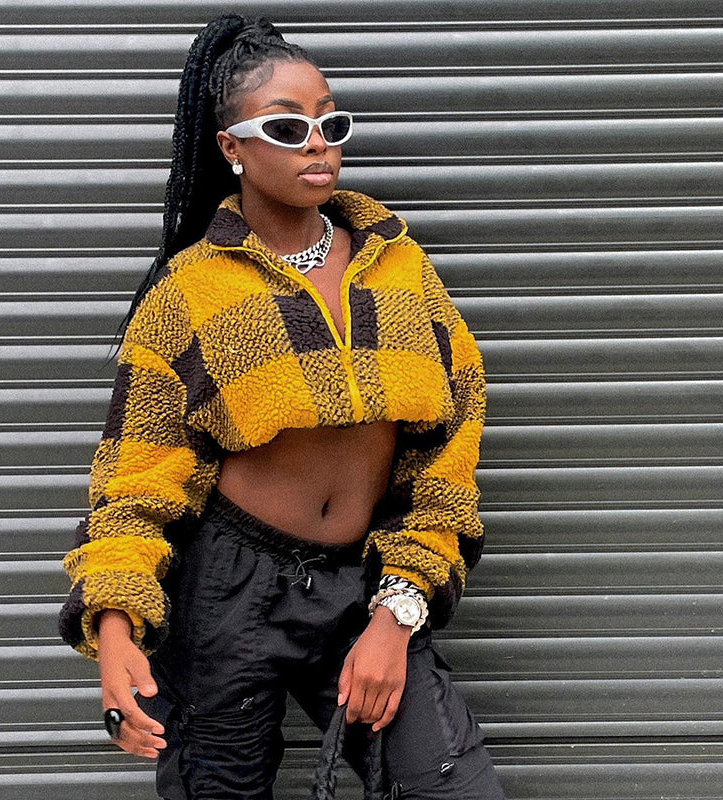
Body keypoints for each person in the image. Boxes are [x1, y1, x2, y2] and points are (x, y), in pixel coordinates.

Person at [59, 14, 506, 800]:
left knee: (447, 782)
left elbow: (449, 446)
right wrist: (117, 630)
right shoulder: (192, 290)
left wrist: (395, 612)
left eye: (332, 123)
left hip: (361, 581)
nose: (318, 145)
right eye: (289, 127)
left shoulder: (399, 267)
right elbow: (136, 480)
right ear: (231, 146)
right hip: (228, 593)